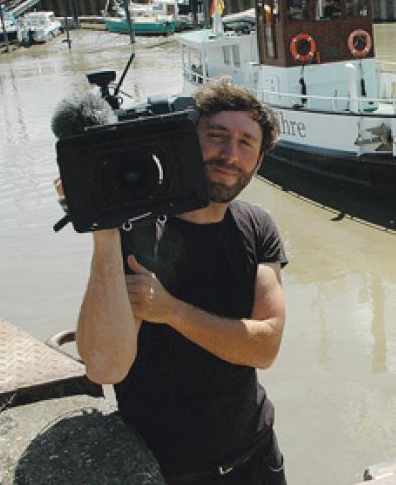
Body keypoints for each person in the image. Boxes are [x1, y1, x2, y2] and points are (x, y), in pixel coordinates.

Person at [68, 77, 287, 484]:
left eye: (246, 144)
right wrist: (105, 232)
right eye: (216, 136)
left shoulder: (257, 226)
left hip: (258, 458)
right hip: (168, 473)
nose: (229, 154)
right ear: (185, 141)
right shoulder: (137, 231)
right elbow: (103, 366)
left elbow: (265, 346)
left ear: (258, 162)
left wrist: (170, 311)